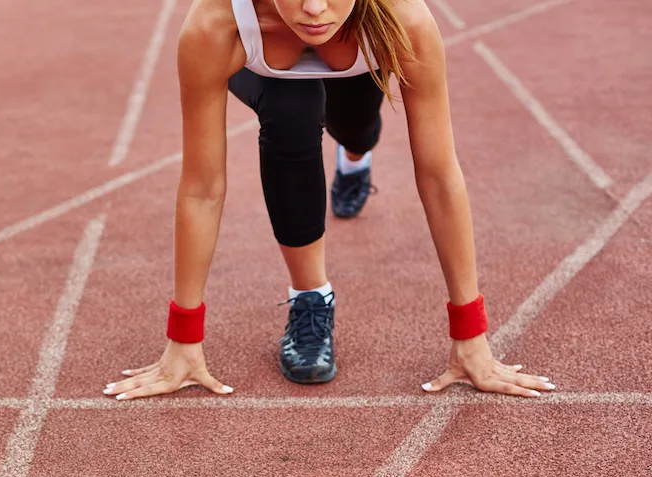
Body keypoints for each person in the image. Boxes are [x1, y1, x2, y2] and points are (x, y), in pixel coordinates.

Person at [103, 0, 554, 400]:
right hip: (267, 69)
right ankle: (310, 297)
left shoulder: (407, 20)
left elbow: (438, 175)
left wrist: (471, 335)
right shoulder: (218, 24)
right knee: (292, 114)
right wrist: (183, 340)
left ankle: (356, 155)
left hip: (360, 52)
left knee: (356, 127)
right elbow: (202, 188)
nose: (314, 8)